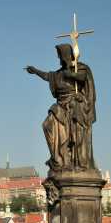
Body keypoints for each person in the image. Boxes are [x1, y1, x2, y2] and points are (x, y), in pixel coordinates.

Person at [26, 43, 96, 171]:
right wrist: (35, 71)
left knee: (75, 135)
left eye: (60, 56)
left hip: (74, 105)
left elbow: (82, 77)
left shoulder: (80, 67)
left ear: (66, 56)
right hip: (60, 105)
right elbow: (48, 76)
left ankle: (77, 162)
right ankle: (58, 158)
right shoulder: (59, 73)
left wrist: (70, 73)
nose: (59, 59)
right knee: (47, 125)